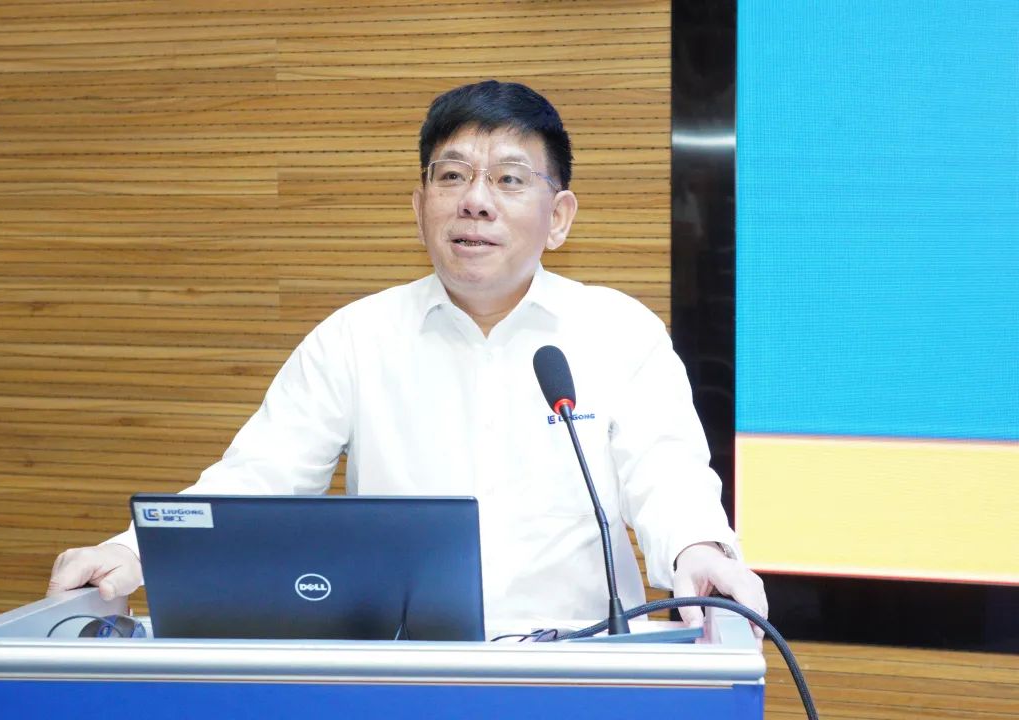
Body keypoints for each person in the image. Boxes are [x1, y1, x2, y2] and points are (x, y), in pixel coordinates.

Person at [49, 80, 767, 638]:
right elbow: (257, 479)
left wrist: (697, 551)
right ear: (419, 205)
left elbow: (667, 474)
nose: (475, 202)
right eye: (451, 177)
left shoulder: (618, 331)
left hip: (578, 669)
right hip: (403, 673)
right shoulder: (355, 338)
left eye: (510, 180)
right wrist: (134, 553)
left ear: (559, 218)